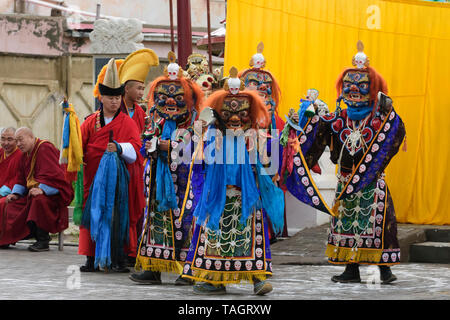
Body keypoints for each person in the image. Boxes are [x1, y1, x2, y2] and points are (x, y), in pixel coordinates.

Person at [283, 41, 406, 284]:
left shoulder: (380, 116)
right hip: (345, 181)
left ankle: (384, 270)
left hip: (371, 182)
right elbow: (316, 134)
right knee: (347, 223)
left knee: (378, 225)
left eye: (361, 86)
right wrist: (300, 122)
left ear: (372, 89)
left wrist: (389, 113)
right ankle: (351, 269)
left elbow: (397, 132)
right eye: (348, 86)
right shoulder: (338, 117)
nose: (354, 91)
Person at [180, 67, 285, 296]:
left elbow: (271, 162)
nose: (236, 118)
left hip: (246, 196)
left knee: (250, 237)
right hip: (218, 195)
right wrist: (202, 131)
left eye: (242, 114)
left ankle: (258, 278)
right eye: (228, 114)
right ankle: (214, 280)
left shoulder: (256, 136)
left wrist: (265, 149)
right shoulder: (212, 136)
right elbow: (194, 158)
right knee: (216, 237)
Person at [129, 51, 204, 285]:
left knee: (186, 220)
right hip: (158, 179)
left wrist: (170, 145)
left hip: (185, 180)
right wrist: (153, 144)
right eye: (163, 97)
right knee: (156, 220)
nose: (170, 102)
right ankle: (153, 267)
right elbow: (146, 137)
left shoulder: (195, 120)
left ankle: (188, 270)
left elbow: (197, 144)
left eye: (178, 98)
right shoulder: (155, 117)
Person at [78, 58, 145, 272]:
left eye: (117, 97)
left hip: (118, 180)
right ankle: (90, 258)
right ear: (101, 97)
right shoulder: (91, 121)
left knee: (116, 215)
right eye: (110, 97)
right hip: (93, 178)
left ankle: (118, 258)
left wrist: (118, 147)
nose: (114, 102)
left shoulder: (127, 122)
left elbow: (136, 150)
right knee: (93, 213)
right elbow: (79, 148)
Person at [238, 42, 288, 239]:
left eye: (265, 85)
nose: (262, 88)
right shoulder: (237, 113)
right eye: (254, 83)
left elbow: (279, 144)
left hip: (267, 165)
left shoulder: (276, 120)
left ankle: (266, 235)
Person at [0, 127, 74, 251]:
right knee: (8, 203)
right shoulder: (25, 155)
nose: (18, 144)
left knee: (38, 200)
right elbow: (21, 179)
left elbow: (58, 176)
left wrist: (43, 189)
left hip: (53, 195)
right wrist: (16, 193)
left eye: (20, 140)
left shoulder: (44, 148)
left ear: (31, 137)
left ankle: (43, 240)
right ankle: (7, 238)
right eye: (16, 141)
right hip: (31, 194)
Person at [118, 49, 159, 135]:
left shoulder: (141, 113)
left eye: (143, 89)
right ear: (127, 89)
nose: (141, 93)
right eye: (139, 88)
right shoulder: (115, 108)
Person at [0, 127, 21, 198]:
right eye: (3, 139)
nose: (6, 143)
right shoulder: (0, 152)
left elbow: (19, 178)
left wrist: (2, 192)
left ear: (16, 140)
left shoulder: (21, 155)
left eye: (9, 139)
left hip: (10, 192)